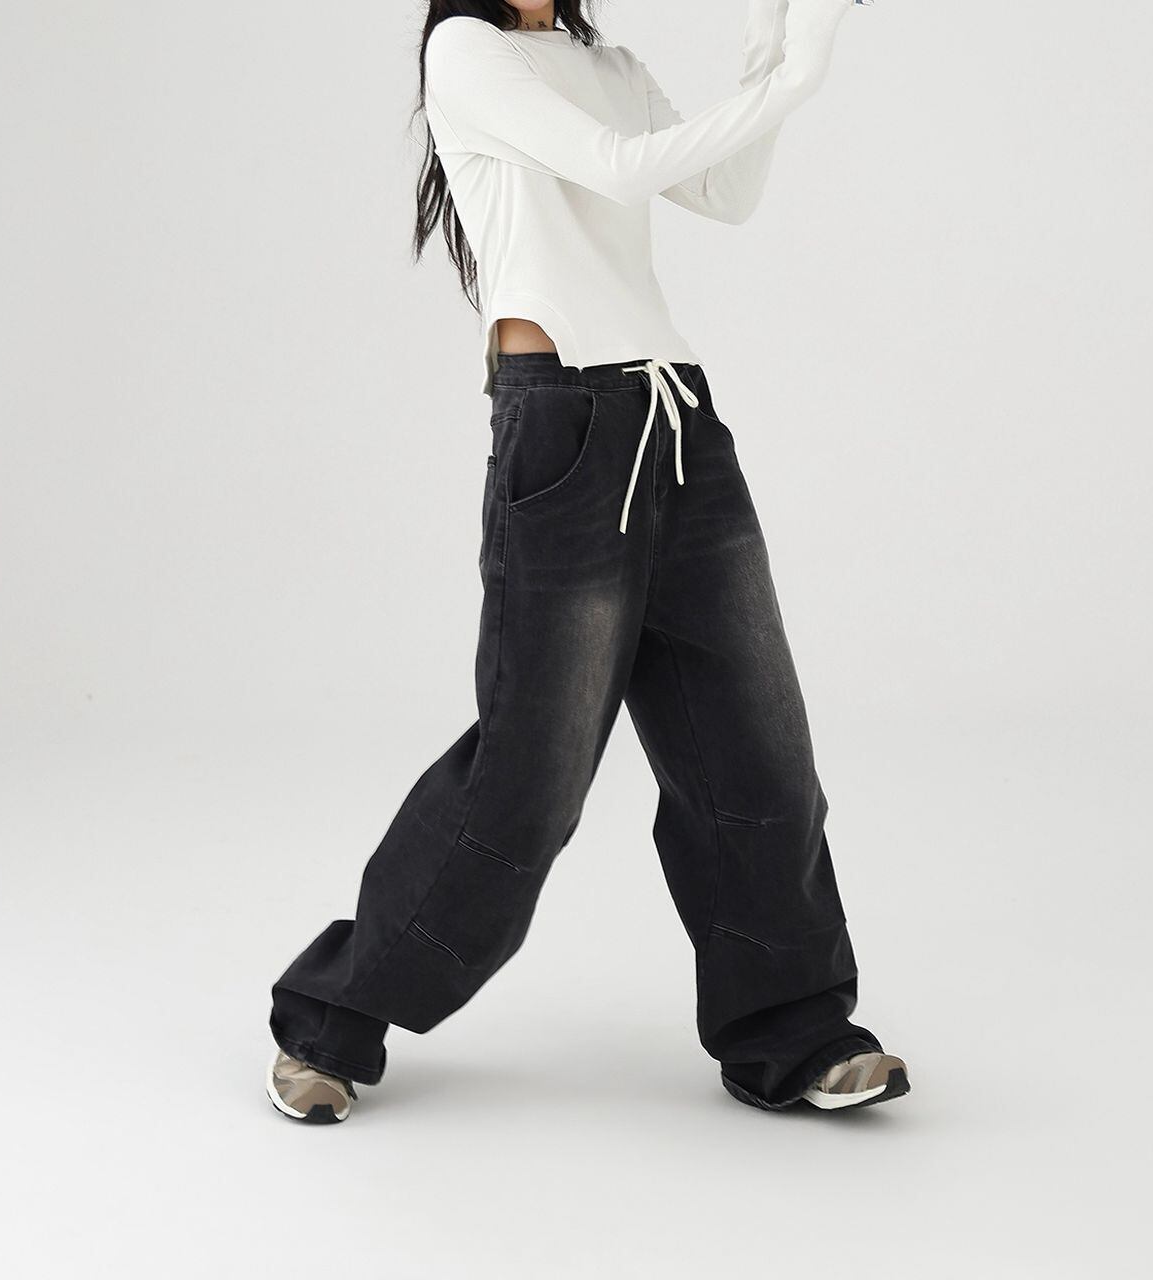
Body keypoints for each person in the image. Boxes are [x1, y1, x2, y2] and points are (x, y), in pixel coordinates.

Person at [265, 0, 908, 1125]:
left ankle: (792, 1032)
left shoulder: (603, 61)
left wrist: (766, 54)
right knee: (530, 781)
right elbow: (618, 167)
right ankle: (331, 1018)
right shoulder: (465, 52)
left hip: (677, 421)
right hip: (563, 427)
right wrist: (796, 75)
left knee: (756, 754)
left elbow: (723, 193)